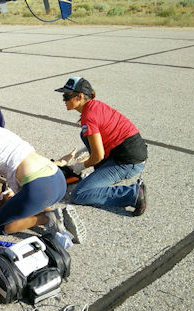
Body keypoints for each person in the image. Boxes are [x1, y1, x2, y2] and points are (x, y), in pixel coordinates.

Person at [55, 77, 148, 215]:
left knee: (79, 194)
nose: (64, 100)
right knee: (84, 134)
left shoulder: (88, 116)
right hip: (129, 151)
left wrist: (81, 166)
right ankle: (100, 175)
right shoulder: (95, 105)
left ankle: (132, 194)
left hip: (128, 162)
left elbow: (98, 155)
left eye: (66, 96)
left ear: (80, 96)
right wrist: (88, 150)